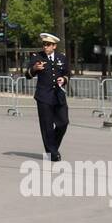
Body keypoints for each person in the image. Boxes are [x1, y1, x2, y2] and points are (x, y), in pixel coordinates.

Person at [28, 32, 70, 161]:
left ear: (54, 46)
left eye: (48, 44)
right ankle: (52, 153)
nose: (45, 47)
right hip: (44, 96)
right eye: (44, 44)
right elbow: (28, 75)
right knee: (47, 126)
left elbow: (67, 74)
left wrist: (63, 79)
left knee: (63, 122)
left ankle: (53, 148)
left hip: (58, 95)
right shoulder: (37, 57)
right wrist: (34, 68)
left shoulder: (61, 58)